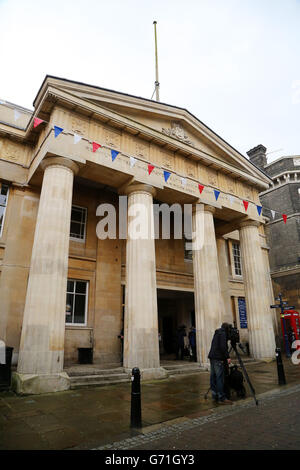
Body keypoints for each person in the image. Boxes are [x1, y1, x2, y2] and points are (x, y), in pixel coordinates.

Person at [208, 322, 233, 405]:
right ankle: (221, 397)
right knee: (219, 378)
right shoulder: (222, 334)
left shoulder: (217, 332)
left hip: (212, 357)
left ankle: (215, 395)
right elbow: (223, 347)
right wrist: (227, 357)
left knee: (213, 376)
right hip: (218, 358)